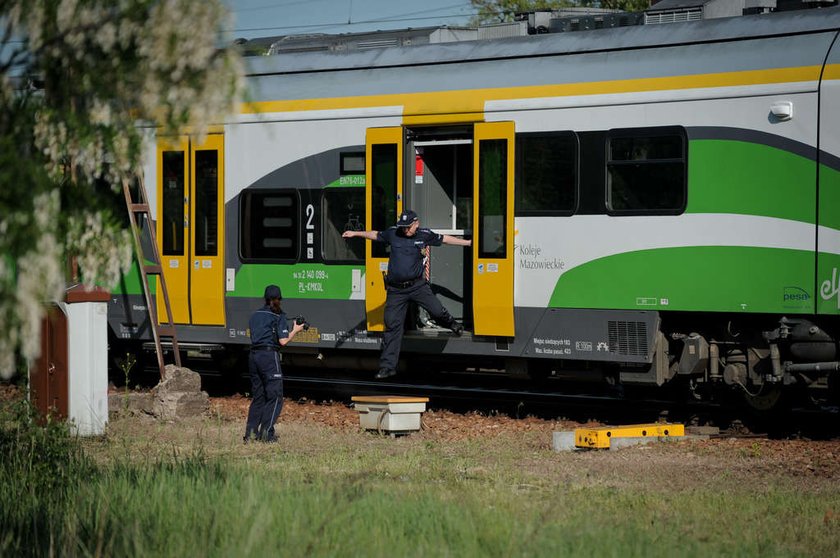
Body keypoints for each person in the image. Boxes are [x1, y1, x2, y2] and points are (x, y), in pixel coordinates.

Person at [342, 209, 471, 379]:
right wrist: (355, 233)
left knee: (437, 311)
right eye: (403, 227)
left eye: (408, 227)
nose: (405, 230)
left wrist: (468, 243)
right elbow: (375, 234)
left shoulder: (424, 235)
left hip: (418, 287)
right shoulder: (393, 233)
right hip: (396, 291)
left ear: (416, 223)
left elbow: (445, 239)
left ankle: (452, 324)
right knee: (392, 326)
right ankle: (387, 367)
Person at [244, 284, 305, 443]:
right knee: (275, 397)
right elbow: (283, 341)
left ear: (265, 299)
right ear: (279, 299)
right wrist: (296, 330)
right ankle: (266, 434)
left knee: (259, 397)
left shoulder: (255, 315)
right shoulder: (279, 316)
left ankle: (250, 435)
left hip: (253, 356)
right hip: (269, 357)